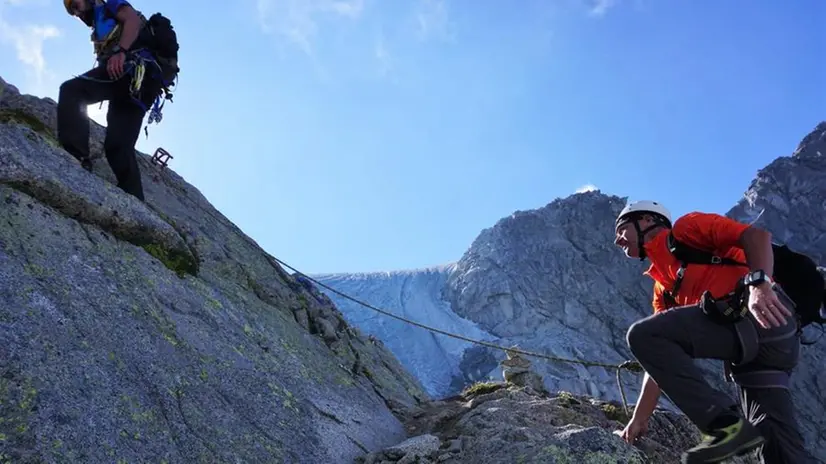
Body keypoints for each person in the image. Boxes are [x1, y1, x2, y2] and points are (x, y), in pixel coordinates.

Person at [613, 200, 818, 464]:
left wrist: (759, 284)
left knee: (643, 334)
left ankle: (726, 426)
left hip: (762, 317)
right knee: (778, 448)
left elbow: (755, 236)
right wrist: (638, 420)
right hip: (763, 352)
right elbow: (657, 360)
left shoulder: (688, 228)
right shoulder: (663, 289)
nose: (618, 240)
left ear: (645, 220)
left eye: (621, 229)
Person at [57, 0, 178, 202]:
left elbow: (131, 20)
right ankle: (137, 205)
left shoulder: (109, 6)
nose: (74, 11)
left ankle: (75, 157)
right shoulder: (98, 24)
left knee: (72, 91)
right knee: (118, 146)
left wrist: (120, 51)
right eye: (70, 10)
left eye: (74, 3)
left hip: (130, 70)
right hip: (142, 88)